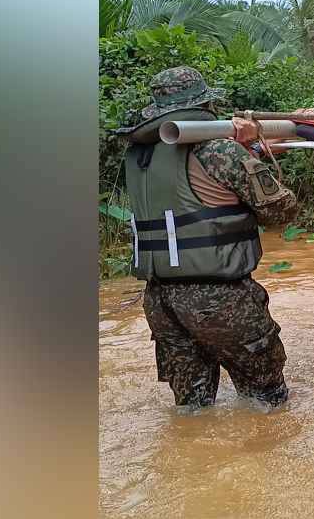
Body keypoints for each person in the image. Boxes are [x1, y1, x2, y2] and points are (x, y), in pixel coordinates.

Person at [121, 66, 297, 408]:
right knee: (268, 403)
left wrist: (252, 155)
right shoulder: (220, 150)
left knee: (192, 407)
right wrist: (247, 153)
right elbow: (281, 212)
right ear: (203, 103)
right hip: (219, 300)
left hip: (161, 300)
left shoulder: (140, 154)